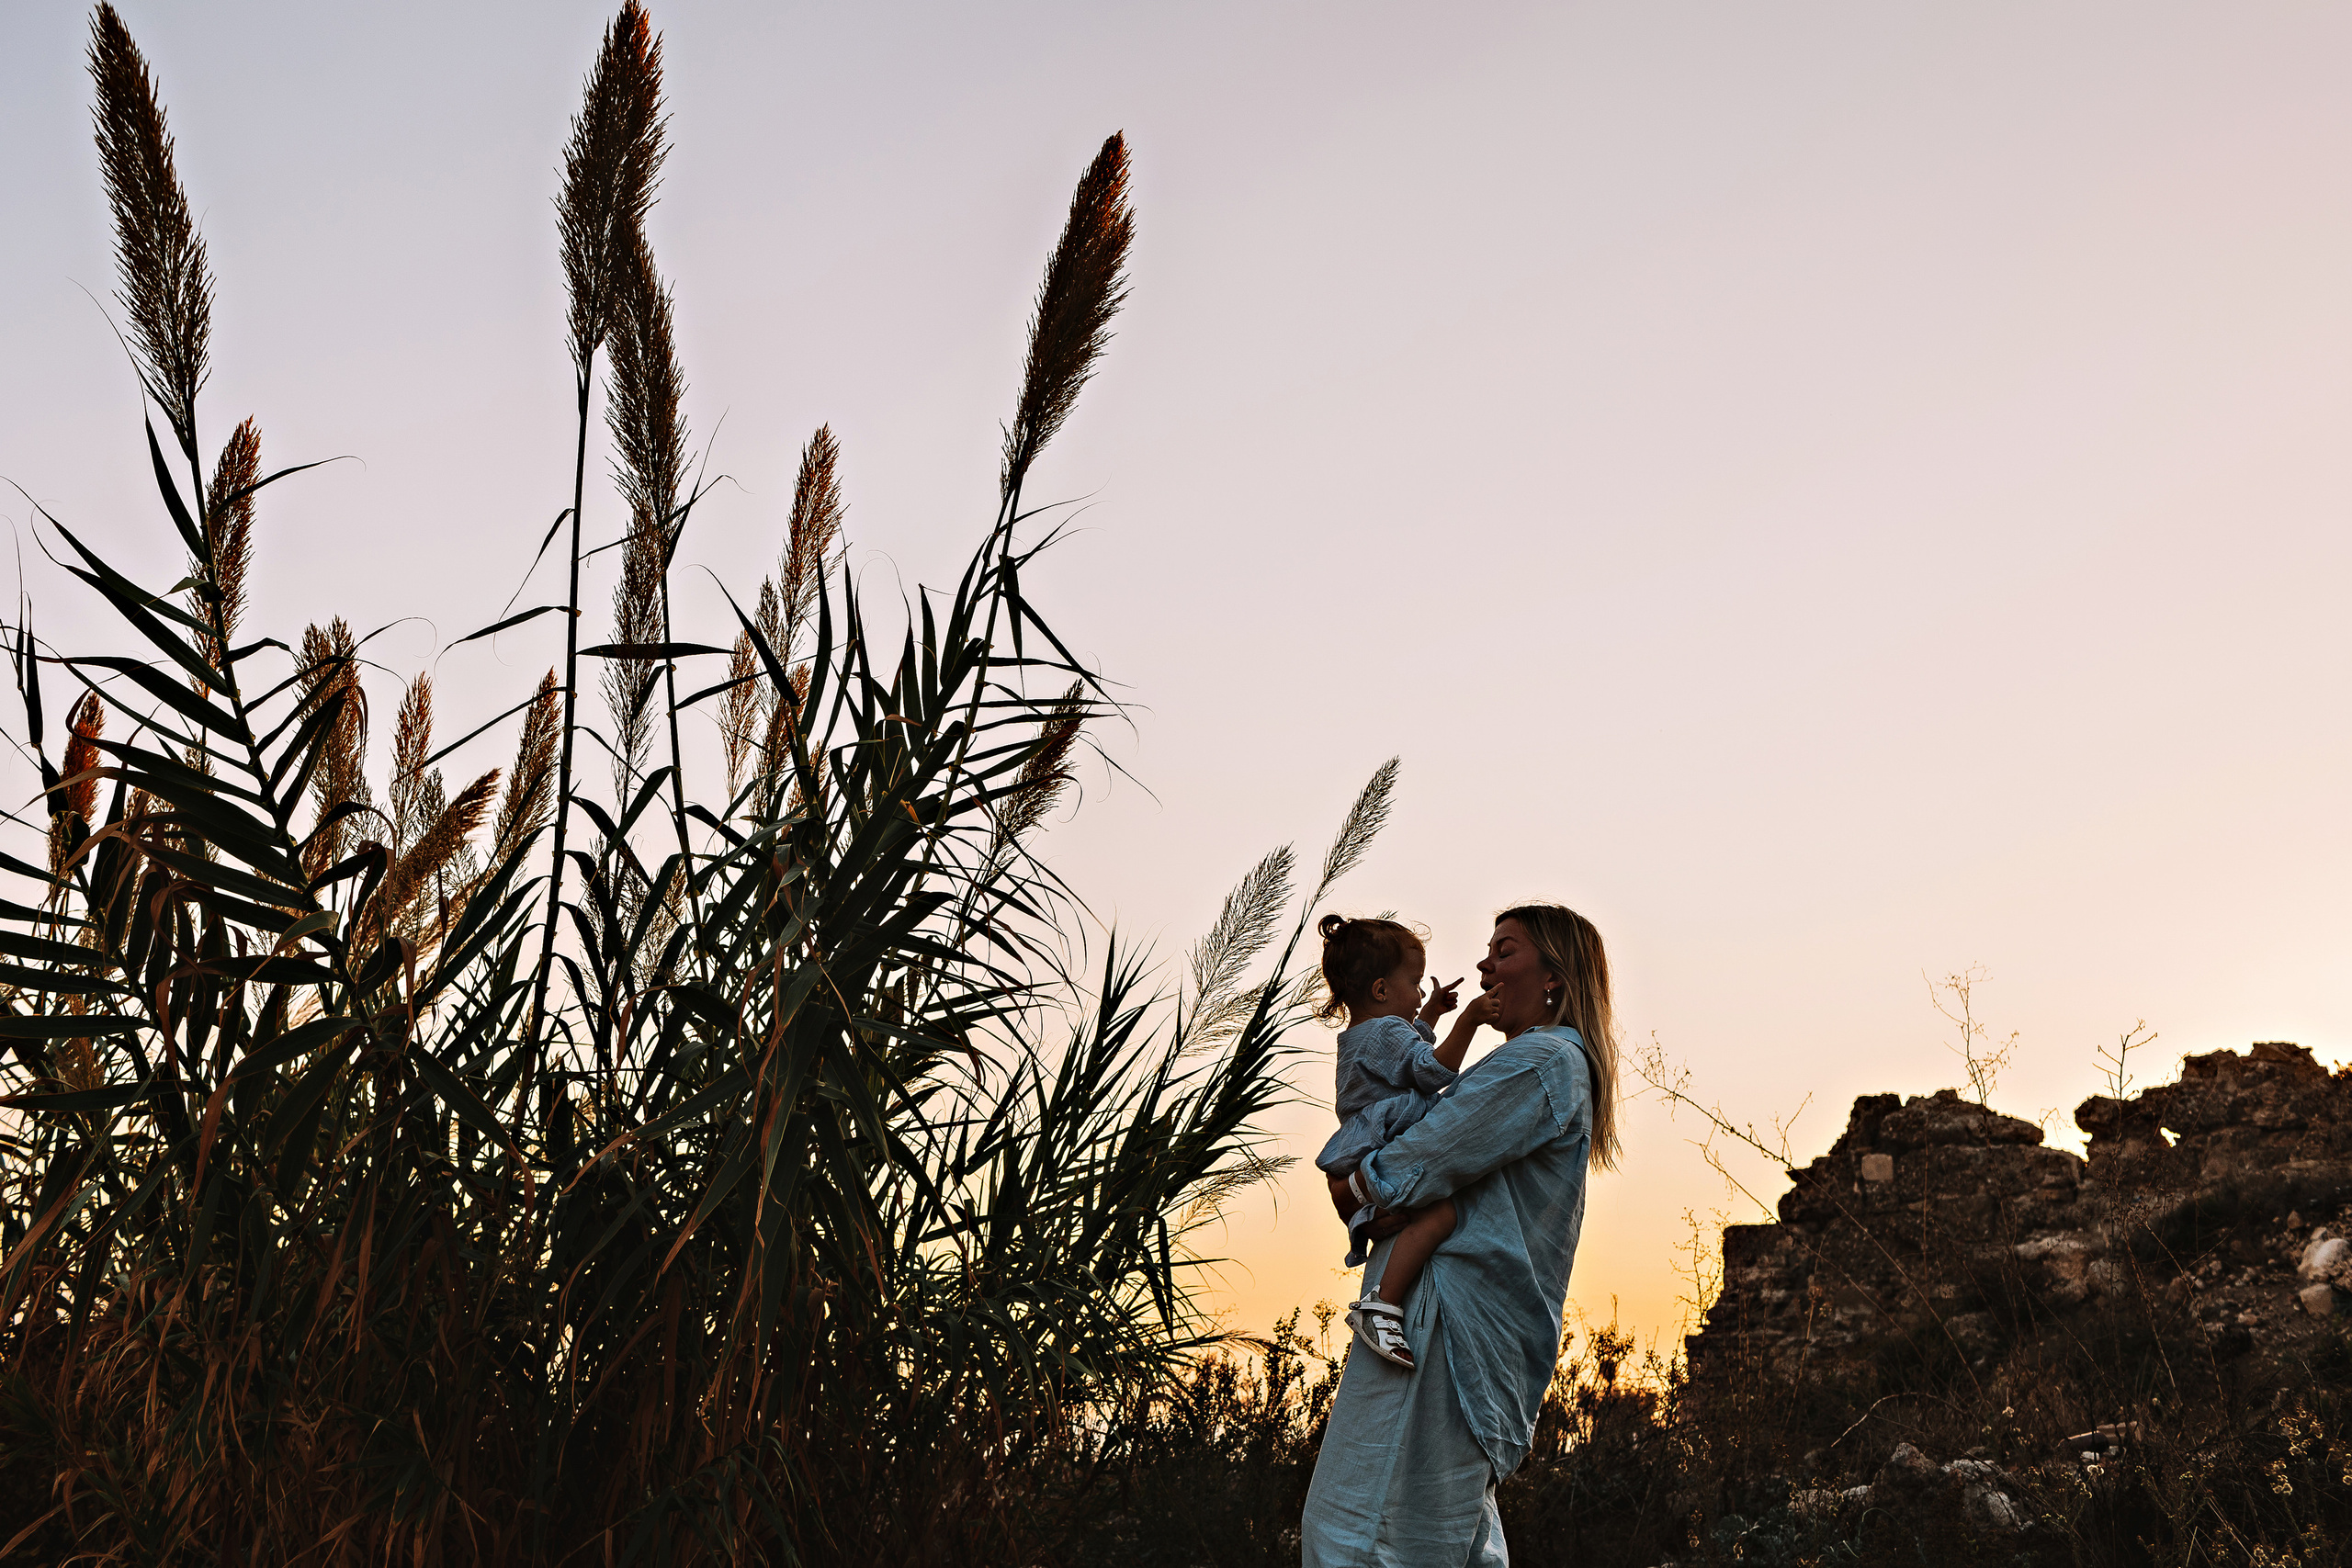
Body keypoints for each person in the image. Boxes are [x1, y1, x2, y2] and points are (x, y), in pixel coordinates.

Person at [1300, 904, 1623, 1567]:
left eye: (1504, 951)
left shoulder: (1540, 1062)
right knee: (1444, 1540)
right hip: (1457, 1330)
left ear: (1555, 977)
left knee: (1356, 1535)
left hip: (1440, 1322)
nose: (1484, 965)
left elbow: (1427, 1155)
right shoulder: (1549, 1065)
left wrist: (1354, 1186)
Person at [1313, 914, 1499, 1370]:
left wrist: (1431, 1012)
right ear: (1381, 990)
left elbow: (1407, 1053)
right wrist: (1470, 1021)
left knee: (1409, 1216)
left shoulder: (1368, 1033)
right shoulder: (1386, 1032)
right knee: (1442, 1213)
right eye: (1415, 984)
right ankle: (1383, 1303)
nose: (1418, 994)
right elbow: (1432, 1069)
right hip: (1385, 1136)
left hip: (1364, 1144)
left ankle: (1377, 1259)